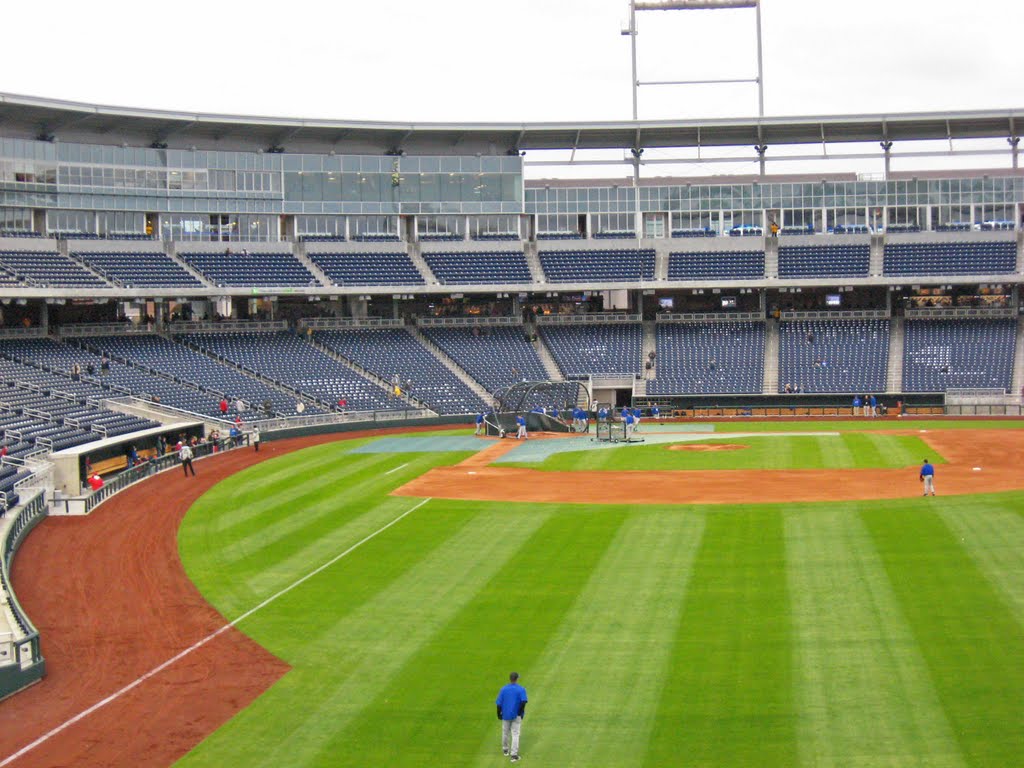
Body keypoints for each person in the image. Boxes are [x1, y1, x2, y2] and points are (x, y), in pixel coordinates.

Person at [495, 672, 528, 762]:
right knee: (515, 734)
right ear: (517, 679)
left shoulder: (503, 689)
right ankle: (514, 755)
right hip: (516, 715)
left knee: (505, 732)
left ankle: (505, 750)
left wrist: (498, 714)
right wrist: (520, 713)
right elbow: (523, 701)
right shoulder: (521, 689)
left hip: (505, 714)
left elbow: (499, 703)